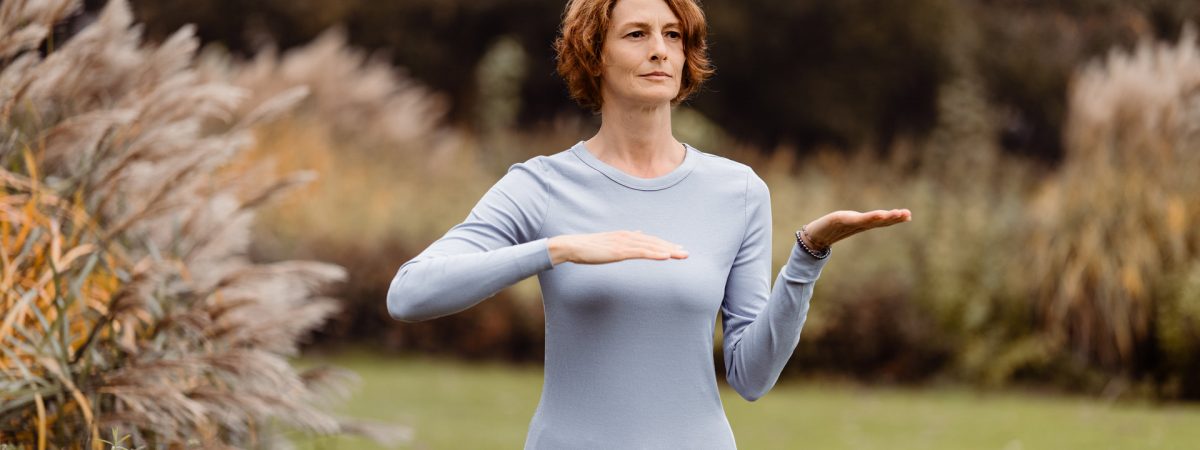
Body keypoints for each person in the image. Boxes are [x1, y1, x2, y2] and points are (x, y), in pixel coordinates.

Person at [386, 0, 912, 447]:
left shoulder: (739, 191)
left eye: (673, 35)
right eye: (636, 34)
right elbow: (408, 295)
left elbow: (752, 377)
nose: (659, 49)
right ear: (594, 55)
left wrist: (808, 255)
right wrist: (556, 249)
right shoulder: (540, 186)